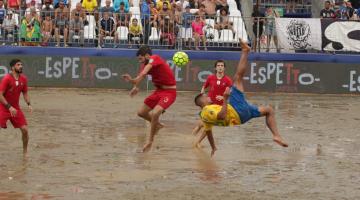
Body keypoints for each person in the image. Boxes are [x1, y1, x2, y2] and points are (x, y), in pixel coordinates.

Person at [193, 40, 288, 156]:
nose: (207, 96)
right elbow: (222, 116)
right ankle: (245, 51)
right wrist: (226, 98)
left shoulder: (206, 113)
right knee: (238, 78)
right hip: (236, 109)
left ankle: (276, 136)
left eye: (222, 66)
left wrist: (213, 147)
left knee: (269, 110)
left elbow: (209, 133)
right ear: (202, 102)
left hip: (242, 118)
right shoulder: (208, 110)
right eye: (205, 96)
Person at [122, 45, 177, 152]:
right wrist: (132, 82)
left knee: (156, 112)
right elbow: (139, 78)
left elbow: (143, 73)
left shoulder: (155, 58)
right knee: (141, 112)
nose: (140, 61)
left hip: (169, 92)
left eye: (141, 59)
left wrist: (136, 82)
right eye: (138, 59)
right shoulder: (144, 65)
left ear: (147, 55)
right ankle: (158, 125)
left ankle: (150, 141)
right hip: (158, 91)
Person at [0, 59, 32, 155]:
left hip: (16, 108)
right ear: (13, 67)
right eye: (18, 65)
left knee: (25, 130)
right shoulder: (6, 79)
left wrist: (29, 104)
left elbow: (25, 93)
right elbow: (0, 95)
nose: (21, 66)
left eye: (21, 64)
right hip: (3, 107)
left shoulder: (24, 79)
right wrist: (9, 107)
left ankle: (25, 152)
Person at [192, 59, 232, 135]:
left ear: (224, 68)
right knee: (201, 125)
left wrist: (223, 98)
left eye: (222, 66)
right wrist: (202, 97)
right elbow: (204, 87)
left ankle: (195, 141)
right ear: (215, 68)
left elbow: (231, 93)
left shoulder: (228, 80)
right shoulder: (210, 78)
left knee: (207, 125)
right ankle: (193, 139)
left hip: (218, 107)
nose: (220, 67)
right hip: (209, 105)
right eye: (218, 65)